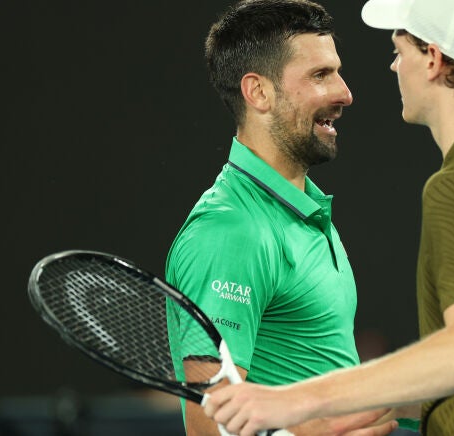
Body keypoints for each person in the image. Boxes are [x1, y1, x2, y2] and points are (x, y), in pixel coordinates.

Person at [201, 0, 454, 435]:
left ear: (433, 58)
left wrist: (295, 401)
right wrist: (379, 407)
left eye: (399, 51)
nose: (394, 67)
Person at [164, 1, 397, 435]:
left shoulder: (303, 209)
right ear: (258, 92)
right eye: (320, 75)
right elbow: (208, 428)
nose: (345, 93)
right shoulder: (230, 232)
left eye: (337, 72)